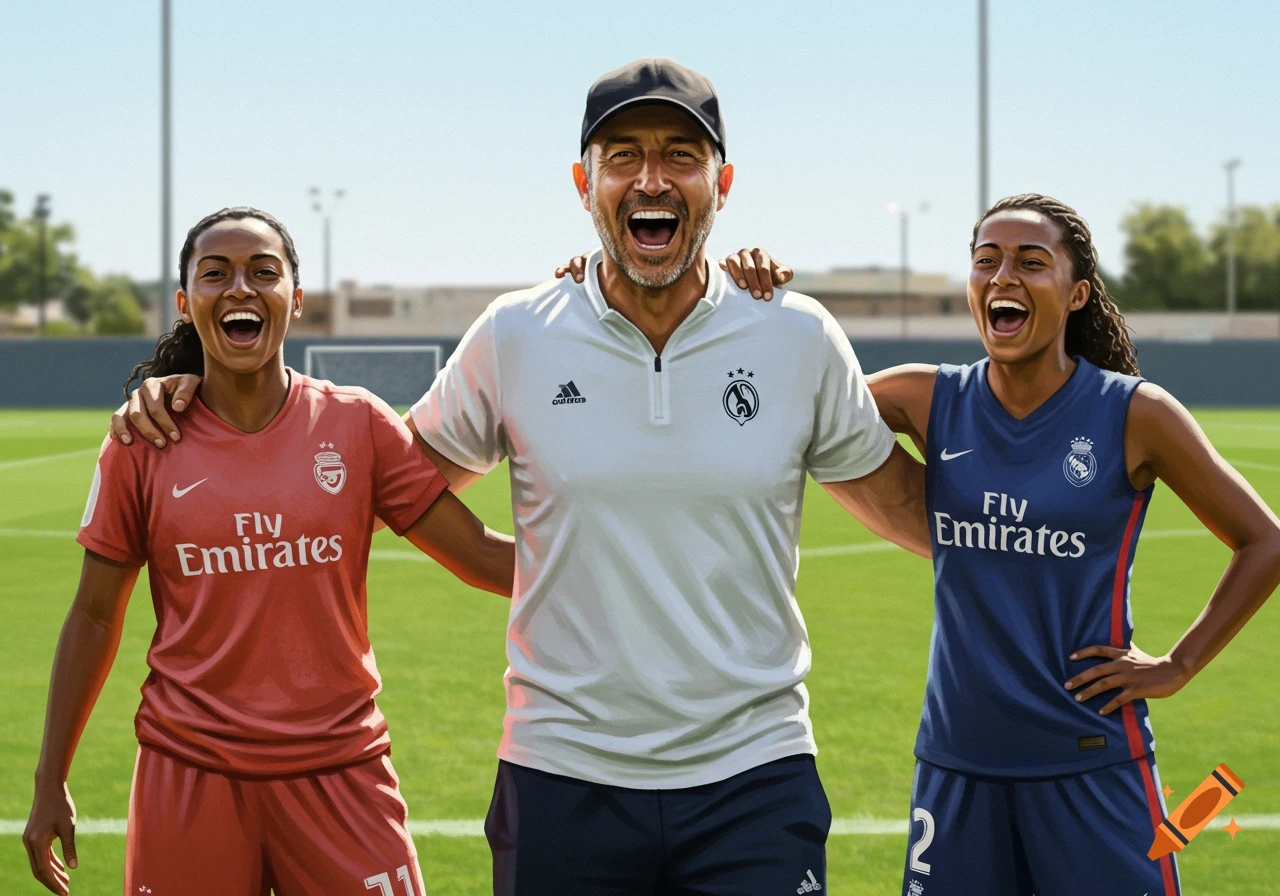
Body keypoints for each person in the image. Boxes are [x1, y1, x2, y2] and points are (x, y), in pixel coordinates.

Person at [107, 59, 931, 895]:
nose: (652, 178)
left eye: (681, 155)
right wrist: (202, 395)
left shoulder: (794, 334)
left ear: (721, 183)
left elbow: (906, 506)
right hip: (561, 773)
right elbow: (379, 481)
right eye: (622, 156)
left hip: (754, 772)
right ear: (585, 183)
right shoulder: (517, 334)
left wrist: (1054, 559)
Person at [712, 193, 1280, 895]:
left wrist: (1179, 664)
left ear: (1075, 294)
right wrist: (734, 299)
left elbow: (1264, 541)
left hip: (1091, 764)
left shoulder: (1135, 414)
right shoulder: (926, 398)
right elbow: (786, 406)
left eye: (1029, 262)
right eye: (987, 261)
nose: (1003, 276)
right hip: (957, 766)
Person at [24, 207, 516, 896]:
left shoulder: (359, 424)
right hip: (189, 773)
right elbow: (95, 617)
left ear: (297, 297)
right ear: (185, 302)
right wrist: (50, 780)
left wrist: (633, 561)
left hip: (342, 772)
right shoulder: (144, 443)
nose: (240, 290)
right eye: (215, 273)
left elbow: (482, 556)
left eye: (264, 272)